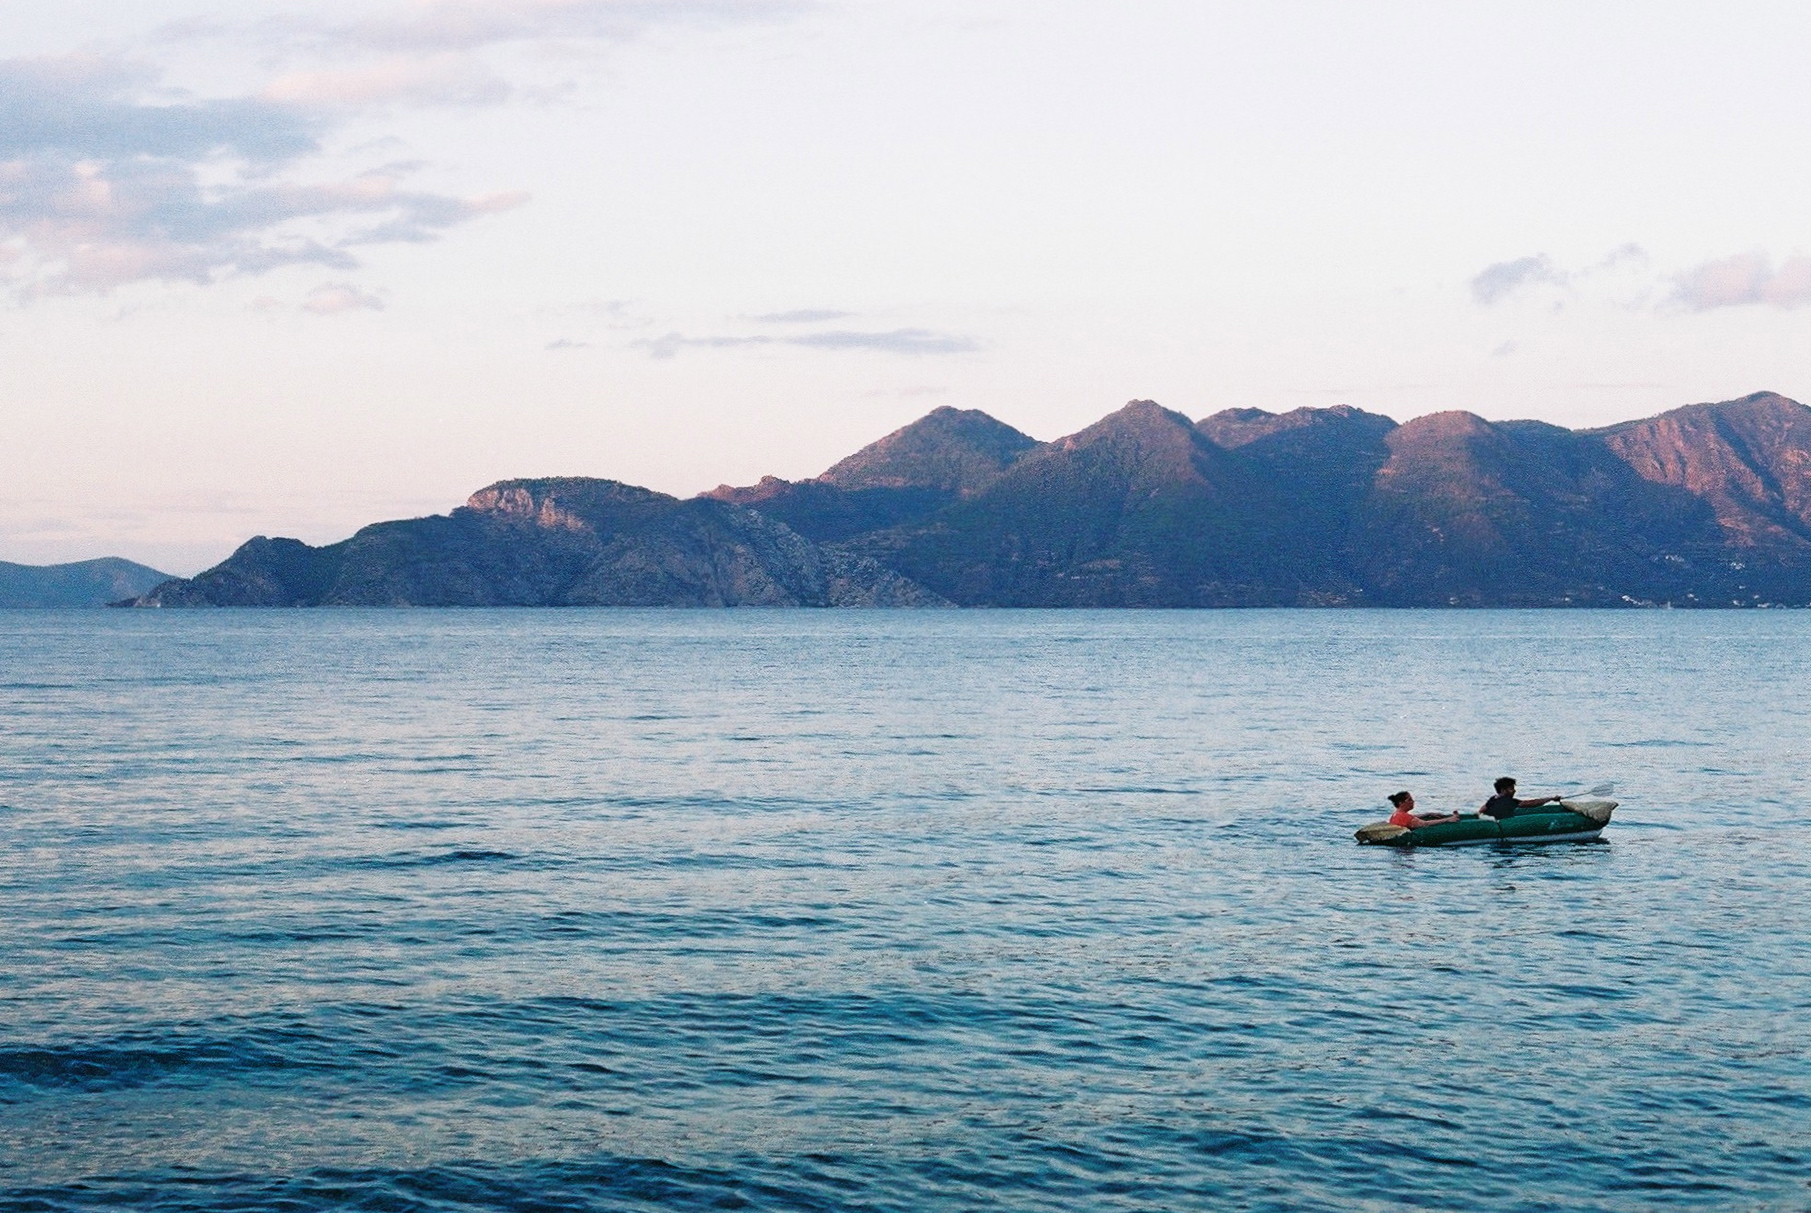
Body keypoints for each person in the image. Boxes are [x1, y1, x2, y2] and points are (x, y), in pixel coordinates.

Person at [1479, 776, 1559, 820]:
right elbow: (1531, 803)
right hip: (1503, 825)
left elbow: (1482, 810)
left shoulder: (1493, 799)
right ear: (1503, 790)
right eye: (1511, 789)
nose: (1514, 791)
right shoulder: (1509, 801)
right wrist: (1550, 798)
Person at [1387, 791, 1459, 829]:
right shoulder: (1404, 817)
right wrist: (1448, 819)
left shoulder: (1396, 814)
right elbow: (1425, 824)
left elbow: (1412, 817)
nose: (1413, 801)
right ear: (1401, 803)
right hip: (1406, 852)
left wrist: (1428, 814)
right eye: (1409, 800)